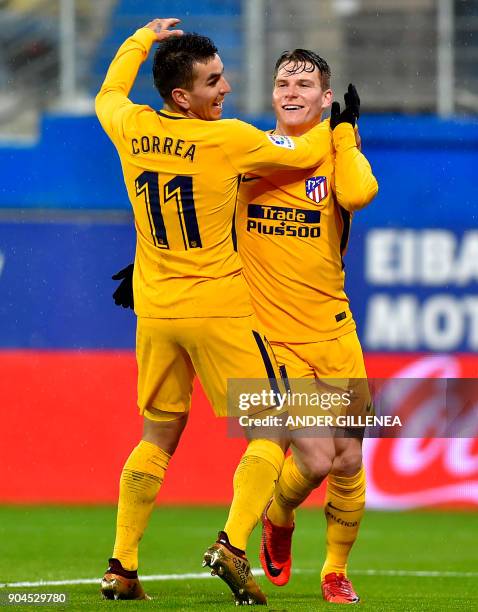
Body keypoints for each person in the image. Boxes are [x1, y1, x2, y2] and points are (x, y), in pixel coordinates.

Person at [95, 17, 336, 605]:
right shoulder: (227, 139)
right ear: (184, 96)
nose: (225, 89)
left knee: (158, 434)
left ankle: (121, 565)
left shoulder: (130, 126)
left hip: (155, 310)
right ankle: (231, 544)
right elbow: (303, 151)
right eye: (213, 81)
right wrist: (337, 122)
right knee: (272, 427)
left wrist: (139, 40)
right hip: (220, 307)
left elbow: (107, 92)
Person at [235, 51, 378, 604]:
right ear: (272, 96)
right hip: (271, 337)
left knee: (348, 459)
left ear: (324, 97)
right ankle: (279, 511)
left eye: (305, 83)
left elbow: (359, 195)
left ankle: (334, 571)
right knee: (317, 458)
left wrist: (345, 136)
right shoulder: (248, 150)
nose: (291, 90)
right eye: (282, 82)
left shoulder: (338, 155)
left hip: (334, 329)